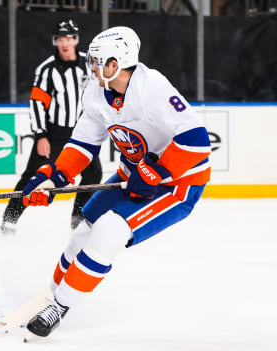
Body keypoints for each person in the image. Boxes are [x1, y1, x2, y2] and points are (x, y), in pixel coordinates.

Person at [21, 26, 211, 339]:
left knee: (110, 230)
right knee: (83, 232)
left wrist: (156, 171)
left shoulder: (151, 87)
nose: (91, 66)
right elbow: (82, 145)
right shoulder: (96, 93)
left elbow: (196, 142)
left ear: (114, 64)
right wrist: (53, 177)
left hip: (177, 184)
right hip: (131, 175)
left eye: (97, 61)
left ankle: (61, 306)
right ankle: (51, 296)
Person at [0, 20, 102, 235]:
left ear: (76, 40)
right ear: (55, 42)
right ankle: (10, 218)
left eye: (69, 39)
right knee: (32, 176)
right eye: (60, 40)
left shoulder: (88, 63)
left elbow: (98, 92)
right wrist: (41, 135)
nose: (65, 44)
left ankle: (79, 218)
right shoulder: (47, 69)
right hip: (54, 133)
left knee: (93, 173)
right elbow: (37, 104)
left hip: (82, 132)